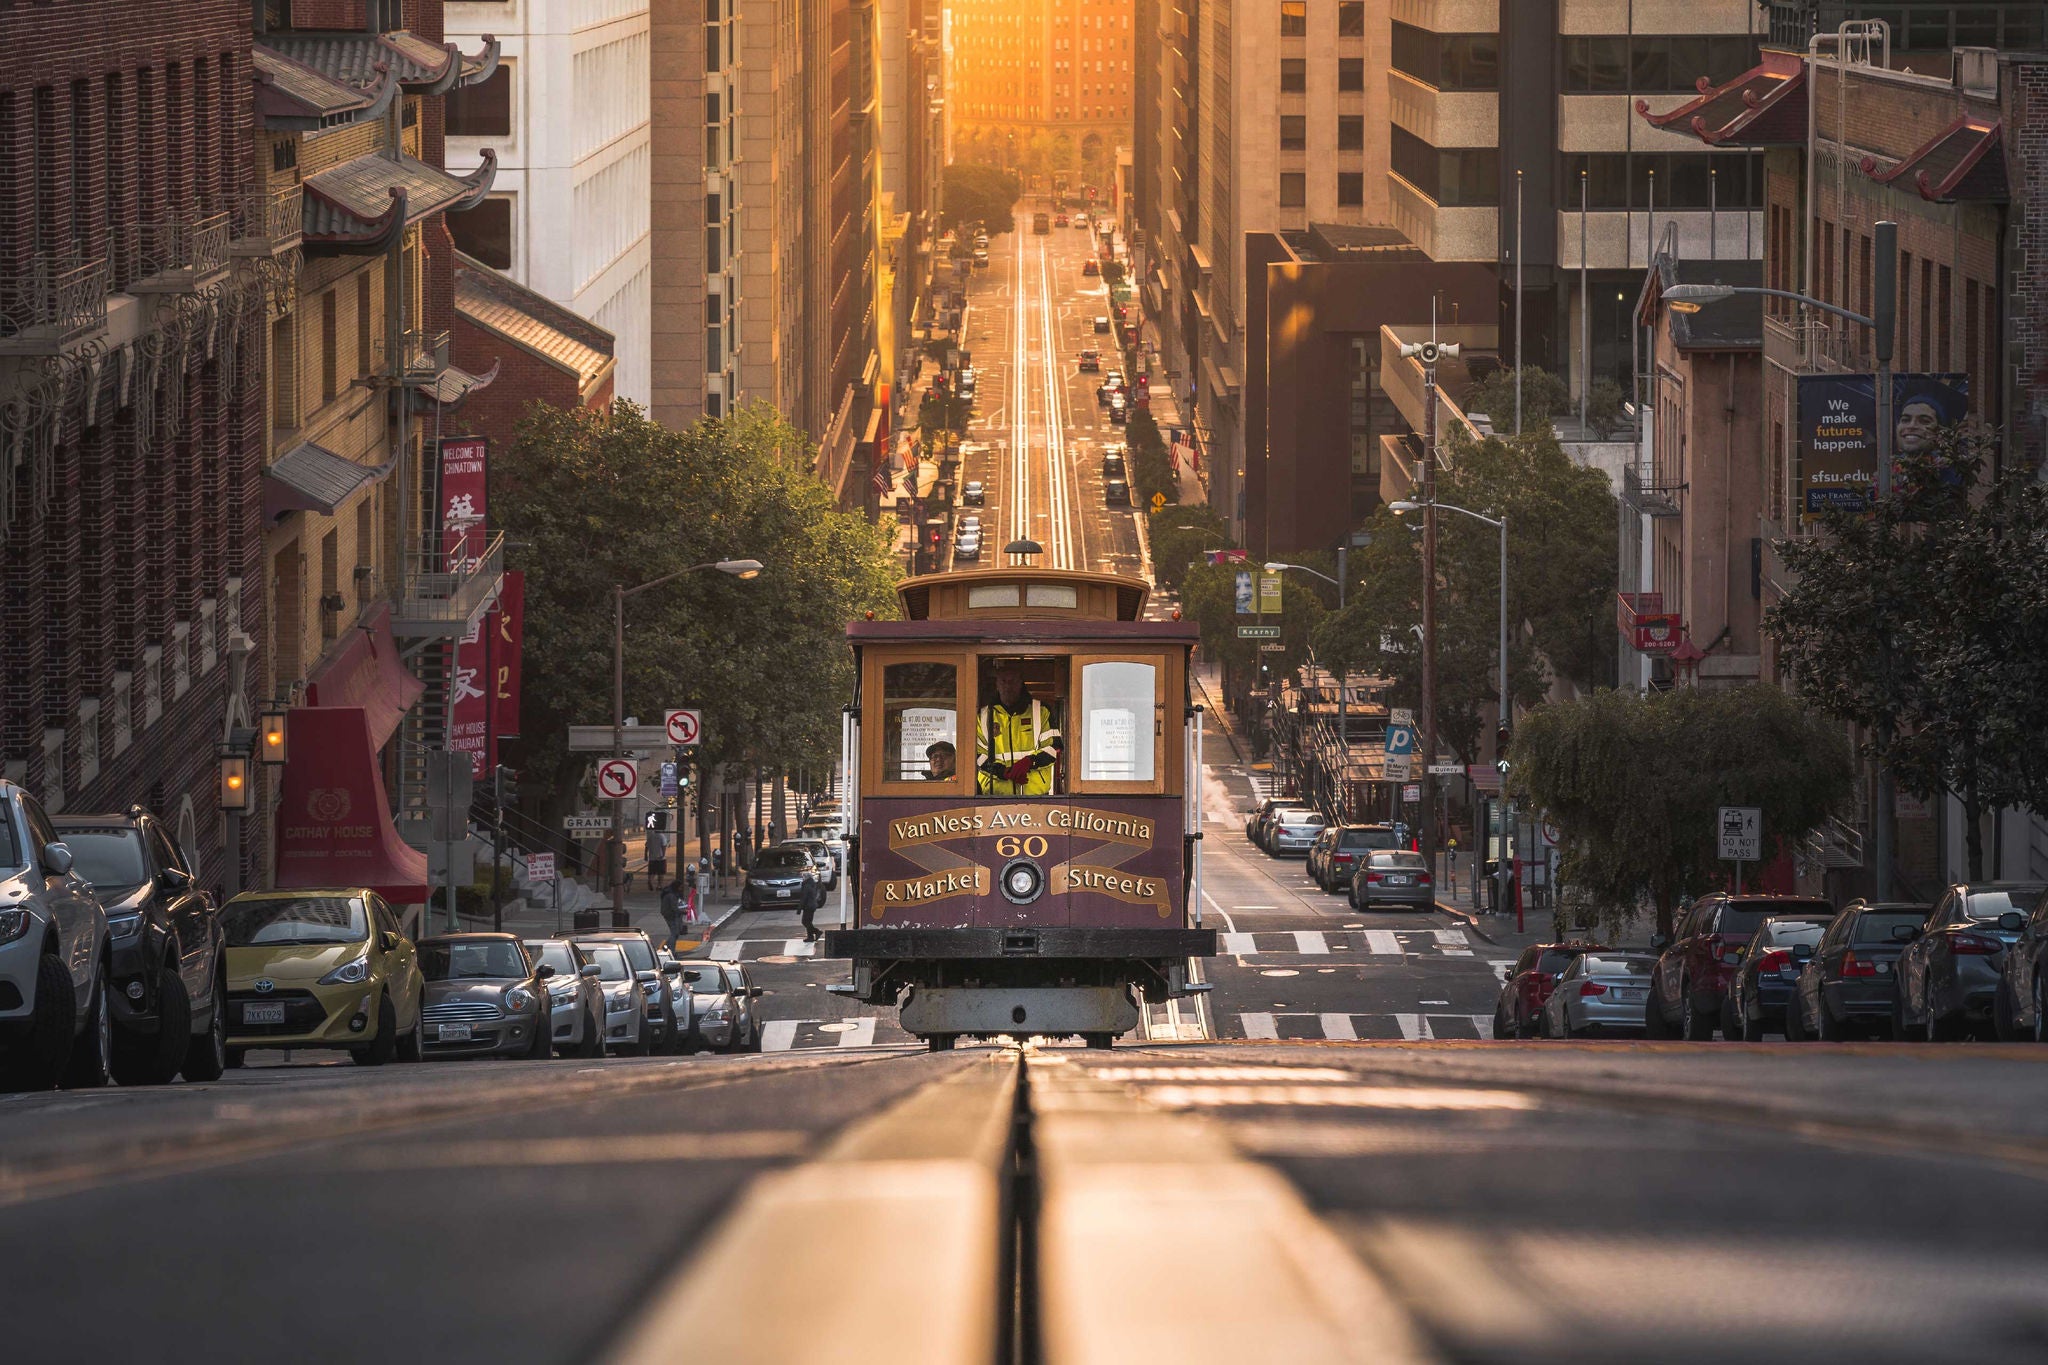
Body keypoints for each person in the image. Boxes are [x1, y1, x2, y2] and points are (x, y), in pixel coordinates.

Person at [976, 658, 1063, 795]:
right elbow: (977, 755)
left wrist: (1030, 762)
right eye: (1003, 681)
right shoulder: (982, 716)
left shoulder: (1041, 711)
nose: (1008, 686)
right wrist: (1002, 772)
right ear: (997, 685)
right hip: (993, 795)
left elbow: (1054, 748)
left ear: (1021, 684)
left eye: (1013, 681)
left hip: (1035, 794)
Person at [658, 880, 683, 948]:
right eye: (680, 887)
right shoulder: (672, 895)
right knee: (674, 933)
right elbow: (674, 907)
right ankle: (670, 948)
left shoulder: (669, 893)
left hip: (668, 913)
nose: (681, 889)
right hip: (670, 915)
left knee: (675, 933)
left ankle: (668, 946)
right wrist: (682, 911)